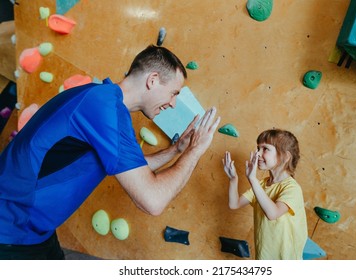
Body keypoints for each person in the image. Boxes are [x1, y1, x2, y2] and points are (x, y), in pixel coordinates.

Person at [0, 45, 221, 259]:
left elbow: (134, 172)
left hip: (35, 230)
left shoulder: (103, 100)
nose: (173, 104)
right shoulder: (105, 108)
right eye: (173, 93)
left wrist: (176, 150)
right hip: (10, 228)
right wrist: (196, 150)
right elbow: (152, 201)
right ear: (152, 80)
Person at [222, 129, 307, 260]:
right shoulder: (262, 185)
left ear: (285, 156)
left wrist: (252, 179)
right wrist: (233, 180)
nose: (257, 154)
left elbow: (272, 213)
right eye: (258, 148)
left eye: (265, 149)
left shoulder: (292, 188)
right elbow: (234, 204)